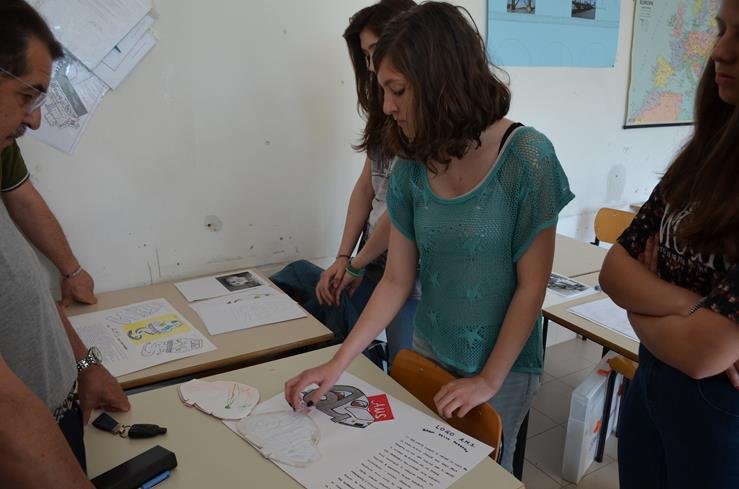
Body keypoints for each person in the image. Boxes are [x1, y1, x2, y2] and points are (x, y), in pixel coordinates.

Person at [285, 2, 574, 472]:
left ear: (441, 82)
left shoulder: (526, 157)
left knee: (482, 475)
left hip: (501, 367)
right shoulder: (412, 165)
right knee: (424, 467)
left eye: (397, 90)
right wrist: (335, 365)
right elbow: (396, 280)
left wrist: (488, 380)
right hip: (429, 351)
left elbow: (532, 287)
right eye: (384, 90)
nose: (387, 106)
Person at [599, 1, 739, 487]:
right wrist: (694, 307)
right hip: (653, 382)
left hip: (720, 414)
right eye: (721, 30)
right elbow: (613, 271)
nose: (720, 51)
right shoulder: (702, 158)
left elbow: (704, 355)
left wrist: (643, 299)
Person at [0, 1, 129, 487]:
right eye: (26, 95)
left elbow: (27, 289)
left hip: (56, 413)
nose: (34, 121)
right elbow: (7, 413)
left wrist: (84, 364)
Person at [271, 0, 418, 368]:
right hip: (372, 259)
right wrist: (343, 257)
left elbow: (401, 208)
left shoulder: (419, 118)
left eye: (375, 51)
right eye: (366, 55)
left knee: (404, 368)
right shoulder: (384, 111)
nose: (371, 65)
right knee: (304, 284)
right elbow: (366, 188)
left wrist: (354, 263)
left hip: (404, 269)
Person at [0, 41, 96, 308]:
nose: (35, 120)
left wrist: (73, 272)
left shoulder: (3, 143)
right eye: (26, 96)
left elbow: (24, 200)